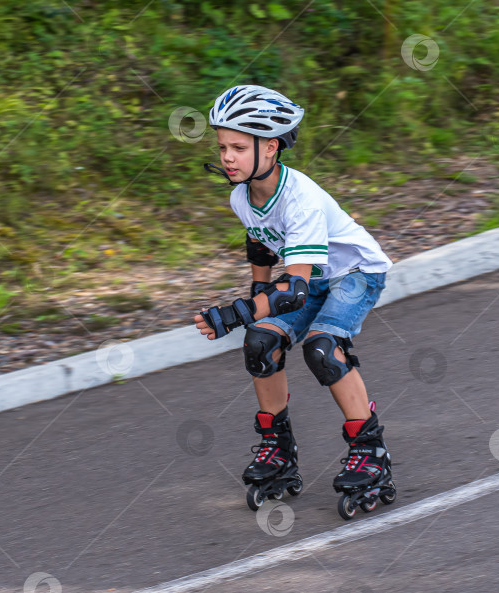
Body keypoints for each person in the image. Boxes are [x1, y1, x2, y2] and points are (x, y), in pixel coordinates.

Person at [193, 85, 395, 515]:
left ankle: (370, 451)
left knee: (324, 348)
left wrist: (235, 313)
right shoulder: (241, 195)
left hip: (354, 273)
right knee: (260, 342)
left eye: (238, 147)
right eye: (222, 146)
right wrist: (256, 299)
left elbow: (296, 290)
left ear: (270, 148)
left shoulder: (300, 199)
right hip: (309, 275)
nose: (227, 157)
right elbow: (262, 245)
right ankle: (277, 449)